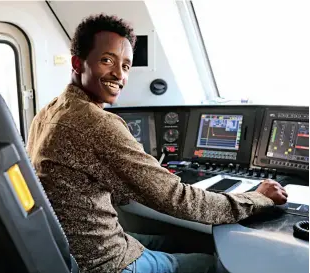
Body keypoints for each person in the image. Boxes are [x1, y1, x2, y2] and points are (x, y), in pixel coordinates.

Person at [26, 14, 288, 273]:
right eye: (107, 60)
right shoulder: (96, 122)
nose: (118, 74)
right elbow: (179, 199)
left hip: (74, 249)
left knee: (183, 240)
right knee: (215, 264)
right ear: (77, 62)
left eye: (126, 66)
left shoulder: (48, 112)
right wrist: (257, 198)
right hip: (104, 262)